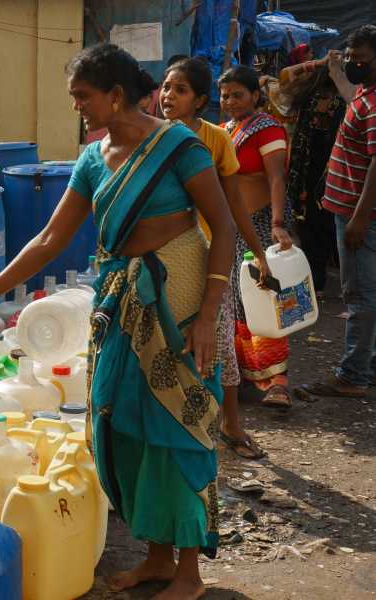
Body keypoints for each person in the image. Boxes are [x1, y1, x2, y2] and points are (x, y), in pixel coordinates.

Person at [0, 43, 235, 600]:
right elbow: (50, 239)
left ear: (116, 95)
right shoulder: (92, 158)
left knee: (176, 427)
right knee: (121, 422)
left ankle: (189, 573)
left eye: (82, 96)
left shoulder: (178, 147)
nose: (76, 106)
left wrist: (208, 313)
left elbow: (221, 225)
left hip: (178, 298)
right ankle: (156, 556)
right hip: (119, 301)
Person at [160, 58, 270, 460]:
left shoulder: (215, 139)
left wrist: (259, 251)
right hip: (163, 259)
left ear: (201, 100)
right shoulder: (149, 138)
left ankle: (231, 424)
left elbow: (234, 203)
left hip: (212, 256)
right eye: (166, 87)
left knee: (219, 341)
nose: (168, 96)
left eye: (180, 90)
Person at [296, 25, 376, 400]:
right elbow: (350, 96)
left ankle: (353, 375)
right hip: (350, 210)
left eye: (360, 59)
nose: (354, 64)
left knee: (358, 295)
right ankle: (367, 365)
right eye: (351, 57)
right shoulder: (365, 93)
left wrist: (359, 218)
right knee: (367, 292)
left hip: (358, 214)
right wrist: (336, 73)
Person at [220, 66, 294, 410]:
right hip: (234, 227)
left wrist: (278, 224)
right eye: (225, 95)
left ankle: (279, 381)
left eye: (238, 94)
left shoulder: (267, 129)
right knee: (236, 299)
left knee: (265, 298)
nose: (230, 101)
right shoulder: (226, 130)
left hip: (263, 224)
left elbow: (276, 179)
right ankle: (248, 375)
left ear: (255, 95)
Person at [282, 54, 348, 292]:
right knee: (311, 228)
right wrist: (319, 63)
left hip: (332, 177)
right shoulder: (308, 99)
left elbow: (285, 76)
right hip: (307, 177)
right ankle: (317, 281)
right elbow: (283, 78)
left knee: (326, 228)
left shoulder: (347, 100)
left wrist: (327, 69)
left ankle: (331, 279)